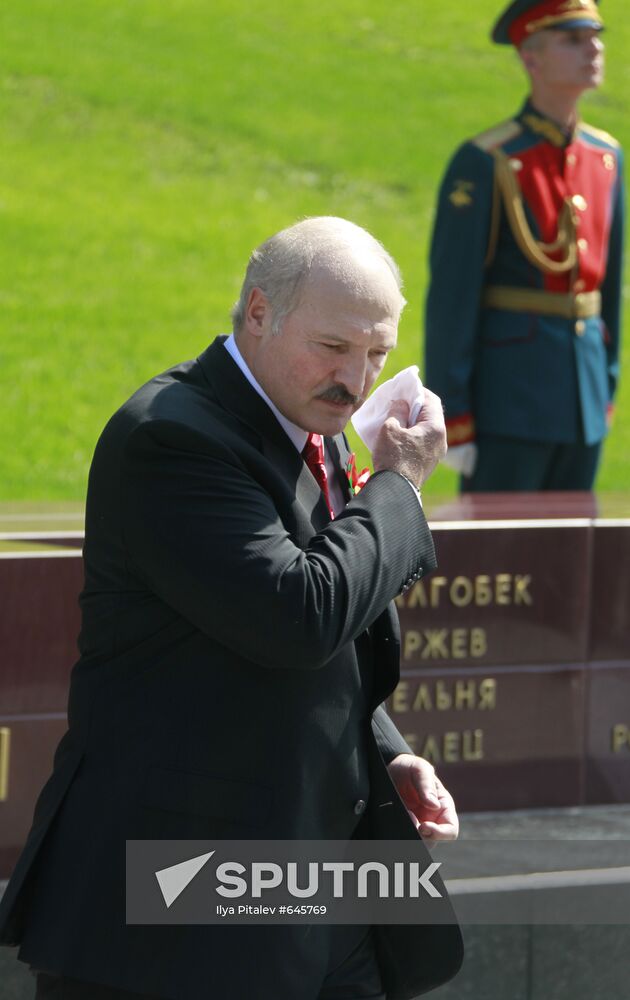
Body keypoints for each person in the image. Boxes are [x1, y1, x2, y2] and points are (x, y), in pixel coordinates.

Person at [0, 217, 463, 999]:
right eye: (334, 347)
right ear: (257, 312)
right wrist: (399, 487)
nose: (356, 380)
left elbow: (330, 624)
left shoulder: (308, 423)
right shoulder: (172, 439)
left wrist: (381, 751)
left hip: (316, 881)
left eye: (377, 354)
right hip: (177, 906)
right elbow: (297, 613)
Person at [424, 0, 624, 492]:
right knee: (501, 560)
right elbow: (453, 296)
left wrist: (608, 382)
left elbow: (610, 284)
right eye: (572, 39)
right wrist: (455, 416)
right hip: (509, 401)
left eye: (595, 36)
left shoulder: (606, 158)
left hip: (585, 399)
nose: (593, 48)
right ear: (530, 58)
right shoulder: (488, 159)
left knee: (573, 559)